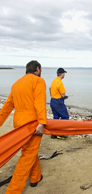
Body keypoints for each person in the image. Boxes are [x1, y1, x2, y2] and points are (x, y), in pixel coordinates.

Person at [0, 60, 47, 193]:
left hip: (18, 123)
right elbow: (39, 102)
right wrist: (42, 122)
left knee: (30, 152)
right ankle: (13, 190)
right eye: (40, 70)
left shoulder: (16, 84)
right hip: (31, 123)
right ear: (37, 69)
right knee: (27, 155)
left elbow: (7, 106)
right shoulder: (38, 81)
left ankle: (35, 177)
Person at [50, 68, 69, 139]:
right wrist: (64, 97)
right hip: (58, 102)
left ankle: (54, 133)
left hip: (52, 101)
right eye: (64, 73)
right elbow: (63, 94)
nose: (64, 75)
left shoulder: (54, 81)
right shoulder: (60, 83)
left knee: (56, 117)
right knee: (65, 117)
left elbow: (50, 89)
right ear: (62, 74)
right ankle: (60, 133)